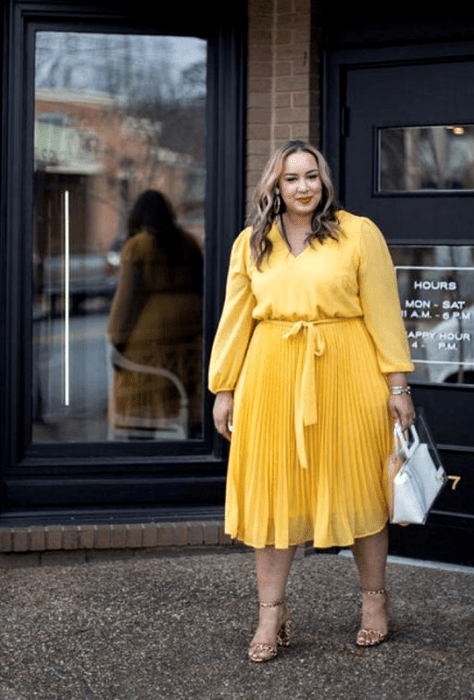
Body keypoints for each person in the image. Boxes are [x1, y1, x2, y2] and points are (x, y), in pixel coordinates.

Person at [208, 141, 415, 662]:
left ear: (323, 182)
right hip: (272, 375)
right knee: (273, 497)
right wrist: (224, 388)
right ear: (274, 187)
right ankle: (271, 613)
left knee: (361, 489)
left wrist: (397, 387)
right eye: (291, 178)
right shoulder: (251, 243)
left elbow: (385, 314)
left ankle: (374, 602)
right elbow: (235, 320)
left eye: (311, 176)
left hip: (348, 372)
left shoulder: (358, 233)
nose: (303, 187)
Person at [108, 190, 203, 438]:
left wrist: (117, 338)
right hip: (190, 329)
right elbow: (203, 285)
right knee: (188, 398)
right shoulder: (189, 243)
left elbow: (127, 298)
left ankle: (143, 458)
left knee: (143, 407)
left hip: (149, 335)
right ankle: (197, 450)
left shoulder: (137, 247)